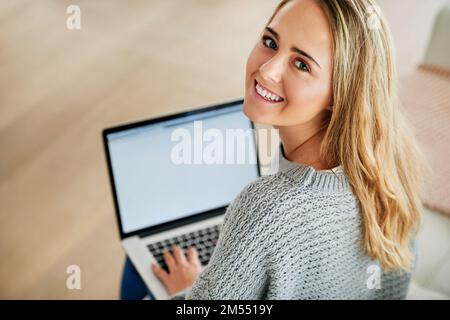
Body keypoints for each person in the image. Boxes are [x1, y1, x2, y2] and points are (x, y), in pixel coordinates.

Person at [120, 0, 429, 300]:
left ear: (341, 93)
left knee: (138, 269)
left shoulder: (266, 208)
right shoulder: (394, 171)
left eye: (301, 64)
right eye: (270, 41)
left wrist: (190, 287)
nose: (267, 70)